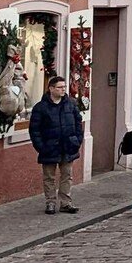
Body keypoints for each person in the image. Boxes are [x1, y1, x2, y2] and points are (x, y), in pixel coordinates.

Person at [29, 75, 84, 215]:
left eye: (64, 87)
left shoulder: (70, 104)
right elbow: (34, 130)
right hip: (49, 147)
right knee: (49, 177)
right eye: (60, 87)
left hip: (68, 146)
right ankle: (50, 202)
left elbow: (78, 124)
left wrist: (77, 140)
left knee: (67, 175)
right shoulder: (41, 107)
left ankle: (65, 203)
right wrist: (41, 147)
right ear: (51, 88)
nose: (63, 90)